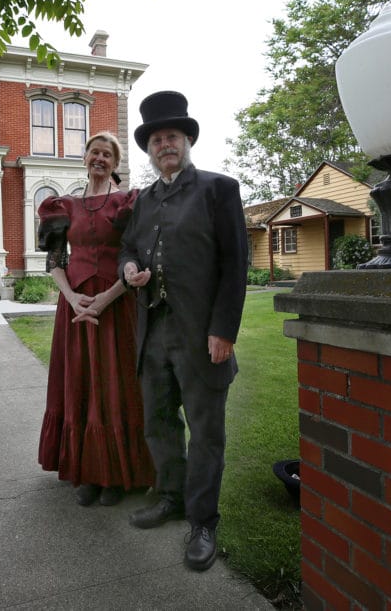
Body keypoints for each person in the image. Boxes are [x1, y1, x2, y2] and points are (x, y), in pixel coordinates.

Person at [118, 91, 248, 571]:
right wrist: (130, 266)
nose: (164, 145)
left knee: (206, 431)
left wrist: (224, 331)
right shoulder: (144, 201)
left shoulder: (218, 189)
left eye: (171, 136)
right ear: (149, 150)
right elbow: (126, 248)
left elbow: (236, 264)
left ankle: (202, 520)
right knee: (159, 421)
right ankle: (170, 497)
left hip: (202, 335)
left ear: (187, 140)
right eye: (156, 139)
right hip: (153, 331)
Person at [37, 131, 156, 507]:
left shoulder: (127, 203)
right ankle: (87, 472)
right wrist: (73, 299)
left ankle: (118, 475)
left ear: (115, 163)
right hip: (75, 308)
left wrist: (105, 299)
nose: (100, 158)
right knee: (81, 381)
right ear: (85, 157)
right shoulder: (64, 206)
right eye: (94, 152)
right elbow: (55, 262)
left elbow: (137, 254)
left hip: (116, 303)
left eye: (107, 154)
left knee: (115, 383)